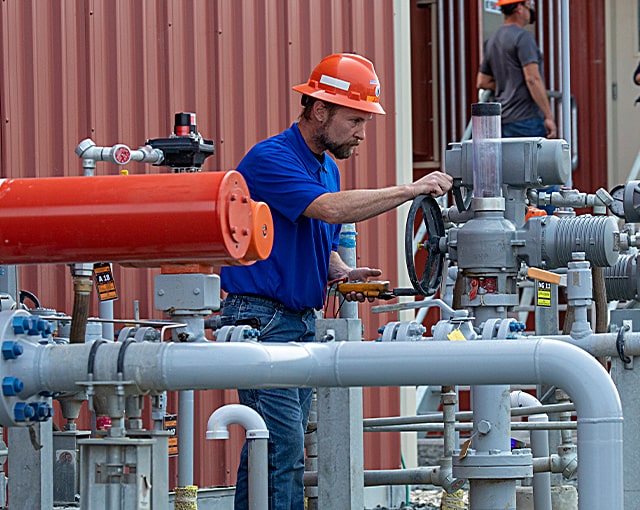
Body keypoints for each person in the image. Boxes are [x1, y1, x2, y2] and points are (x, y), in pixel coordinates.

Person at [219, 53, 453, 509]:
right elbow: (328, 209)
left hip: (297, 321)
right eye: (355, 120)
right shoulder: (271, 158)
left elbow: (310, 232)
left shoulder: (327, 166)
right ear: (319, 109)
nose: (362, 133)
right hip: (263, 318)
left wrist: (340, 272)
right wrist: (411, 190)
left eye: (365, 122)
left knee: (275, 446)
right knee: (280, 447)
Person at [476, 0, 557, 139]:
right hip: (526, 119)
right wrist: (548, 117)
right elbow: (532, 79)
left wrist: (508, 84)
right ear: (519, 8)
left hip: (503, 120)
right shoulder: (523, 37)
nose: (530, 11)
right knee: (533, 160)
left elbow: (482, 81)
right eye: (529, 6)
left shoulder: (492, 40)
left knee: (509, 161)